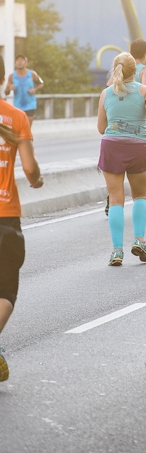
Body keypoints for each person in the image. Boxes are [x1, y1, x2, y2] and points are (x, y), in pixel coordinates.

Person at [0, 55, 43, 382]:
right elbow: (29, 168)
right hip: (5, 216)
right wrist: (36, 180)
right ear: (5, 78)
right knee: (5, 291)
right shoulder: (15, 118)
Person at [97, 52, 146, 266]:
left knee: (115, 199)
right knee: (140, 195)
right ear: (136, 71)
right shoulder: (145, 91)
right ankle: (139, 240)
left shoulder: (106, 93)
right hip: (137, 146)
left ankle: (117, 251)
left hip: (111, 146)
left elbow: (100, 128)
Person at [4, 55, 44, 125]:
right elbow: (6, 92)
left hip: (30, 105)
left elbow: (41, 83)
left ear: (26, 63)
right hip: (18, 106)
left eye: (22, 60)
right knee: (19, 128)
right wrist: (9, 88)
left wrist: (35, 89)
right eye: (18, 60)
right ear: (15, 63)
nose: (19, 62)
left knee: (27, 127)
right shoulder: (12, 76)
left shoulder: (32, 74)